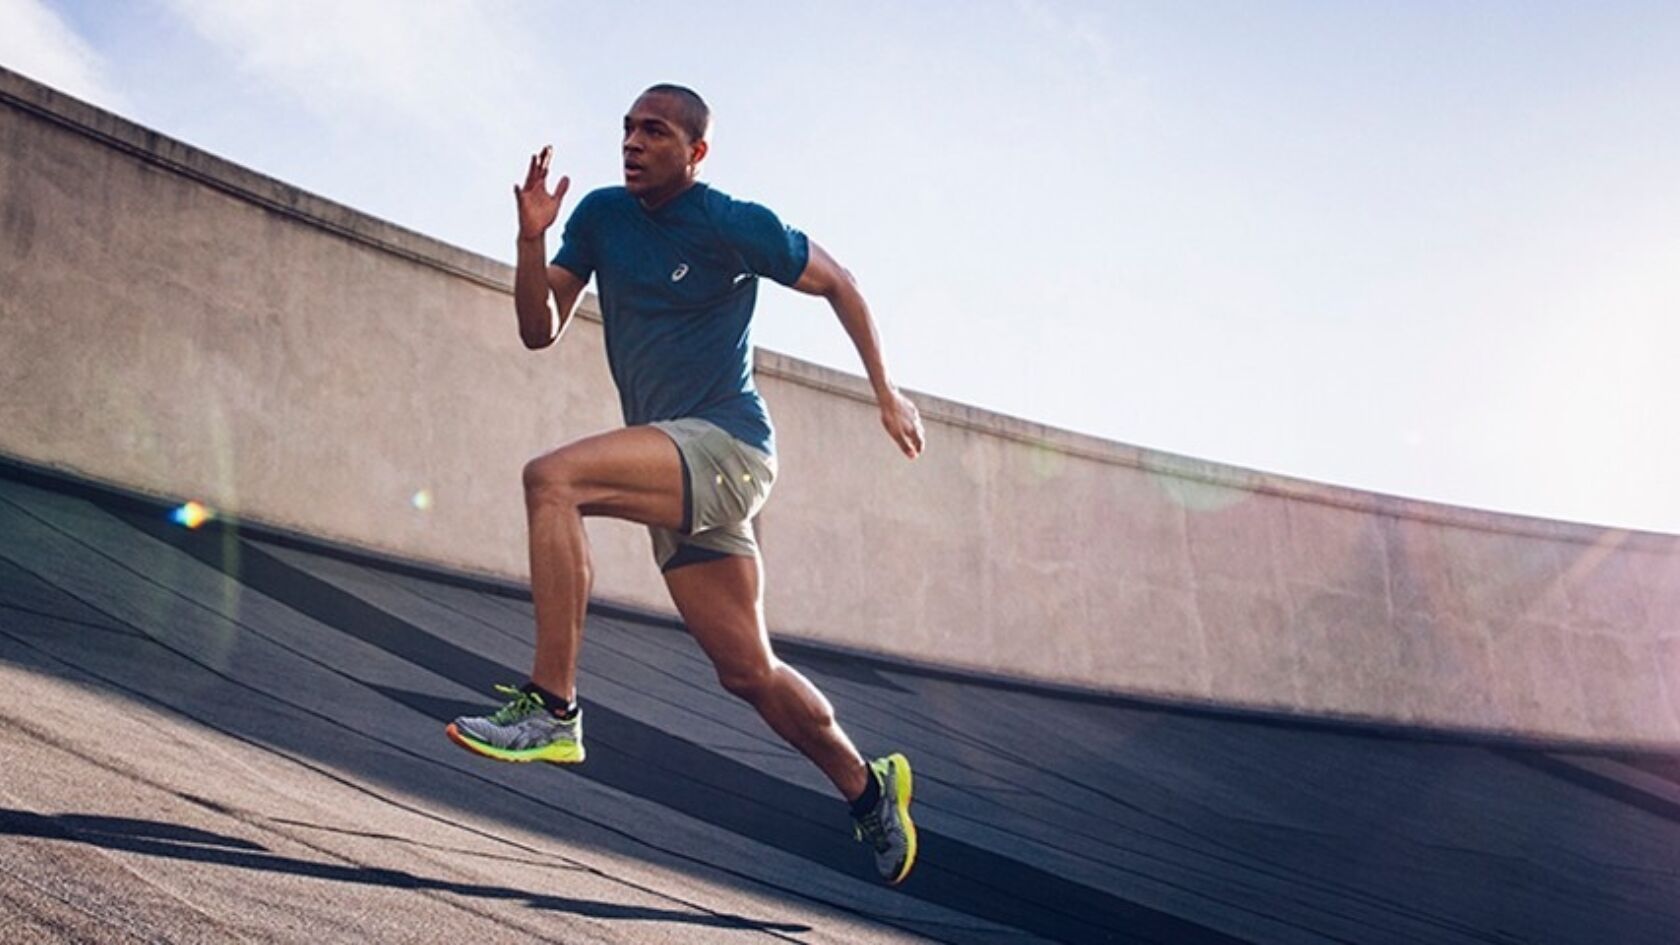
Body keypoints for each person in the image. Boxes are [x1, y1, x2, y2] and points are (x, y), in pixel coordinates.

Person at [444, 83, 925, 885]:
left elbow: (840, 280)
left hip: (730, 445)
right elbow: (539, 330)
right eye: (627, 128)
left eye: (654, 131)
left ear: (695, 151)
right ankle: (868, 786)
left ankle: (553, 708)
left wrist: (887, 392)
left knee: (552, 480)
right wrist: (531, 241)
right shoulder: (599, 216)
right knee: (748, 670)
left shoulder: (732, 222)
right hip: (678, 462)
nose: (632, 142)